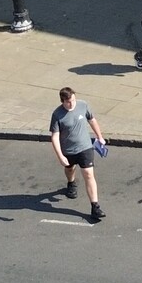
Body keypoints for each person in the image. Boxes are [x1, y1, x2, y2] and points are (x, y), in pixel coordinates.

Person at [49, 86, 107, 223]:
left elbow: (92, 120)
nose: (72, 103)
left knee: (88, 174)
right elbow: (55, 137)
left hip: (85, 147)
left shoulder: (83, 105)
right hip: (68, 150)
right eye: (69, 101)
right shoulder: (57, 115)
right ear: (62, 101)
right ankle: (71, 183)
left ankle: (95, 207)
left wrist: (99, 136)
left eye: (73, 100)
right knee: (70, 169)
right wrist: (60, 156)